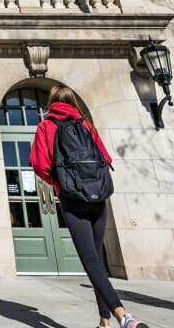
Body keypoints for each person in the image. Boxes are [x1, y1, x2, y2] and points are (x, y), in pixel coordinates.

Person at [30, 83, 151, 328]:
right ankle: (104, 321)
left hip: (72, 197)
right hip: (98, 195)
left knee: (91, 261)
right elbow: (106, 158)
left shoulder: (46, 126)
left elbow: (39, 163)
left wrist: (57, 181)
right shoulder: (86, 125)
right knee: (98, 258)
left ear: (52, 103)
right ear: (73, 102)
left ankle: (124, 317)